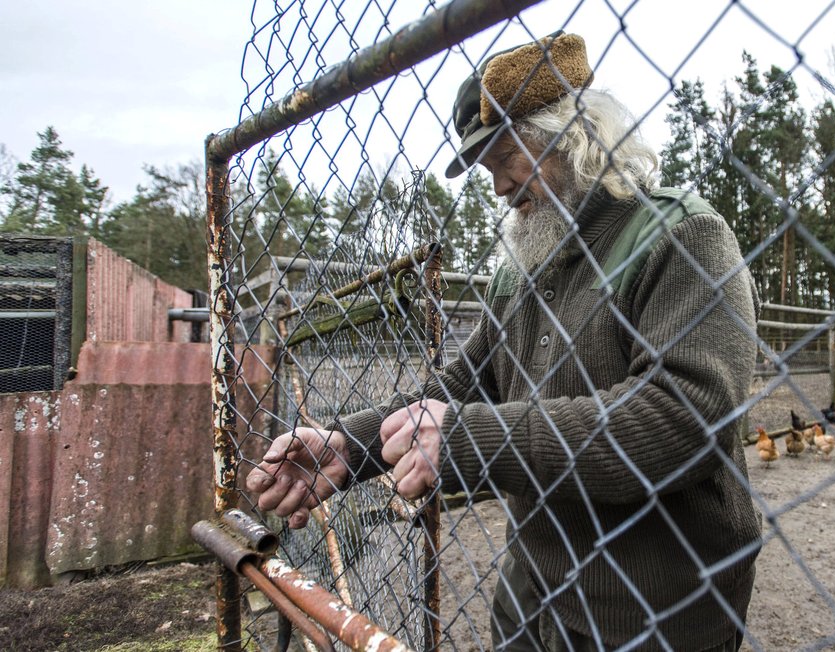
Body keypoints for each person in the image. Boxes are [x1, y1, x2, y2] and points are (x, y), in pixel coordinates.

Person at [247, 31, 761, 651]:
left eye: (504, 159)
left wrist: (467, 440)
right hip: (532, 594)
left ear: (575, 135)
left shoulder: (681, 237)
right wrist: (349, 446)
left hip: (650, 608)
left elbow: (685, 419)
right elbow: (464, 386)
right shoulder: (524, 269)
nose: (495, 187)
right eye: (484, 170)